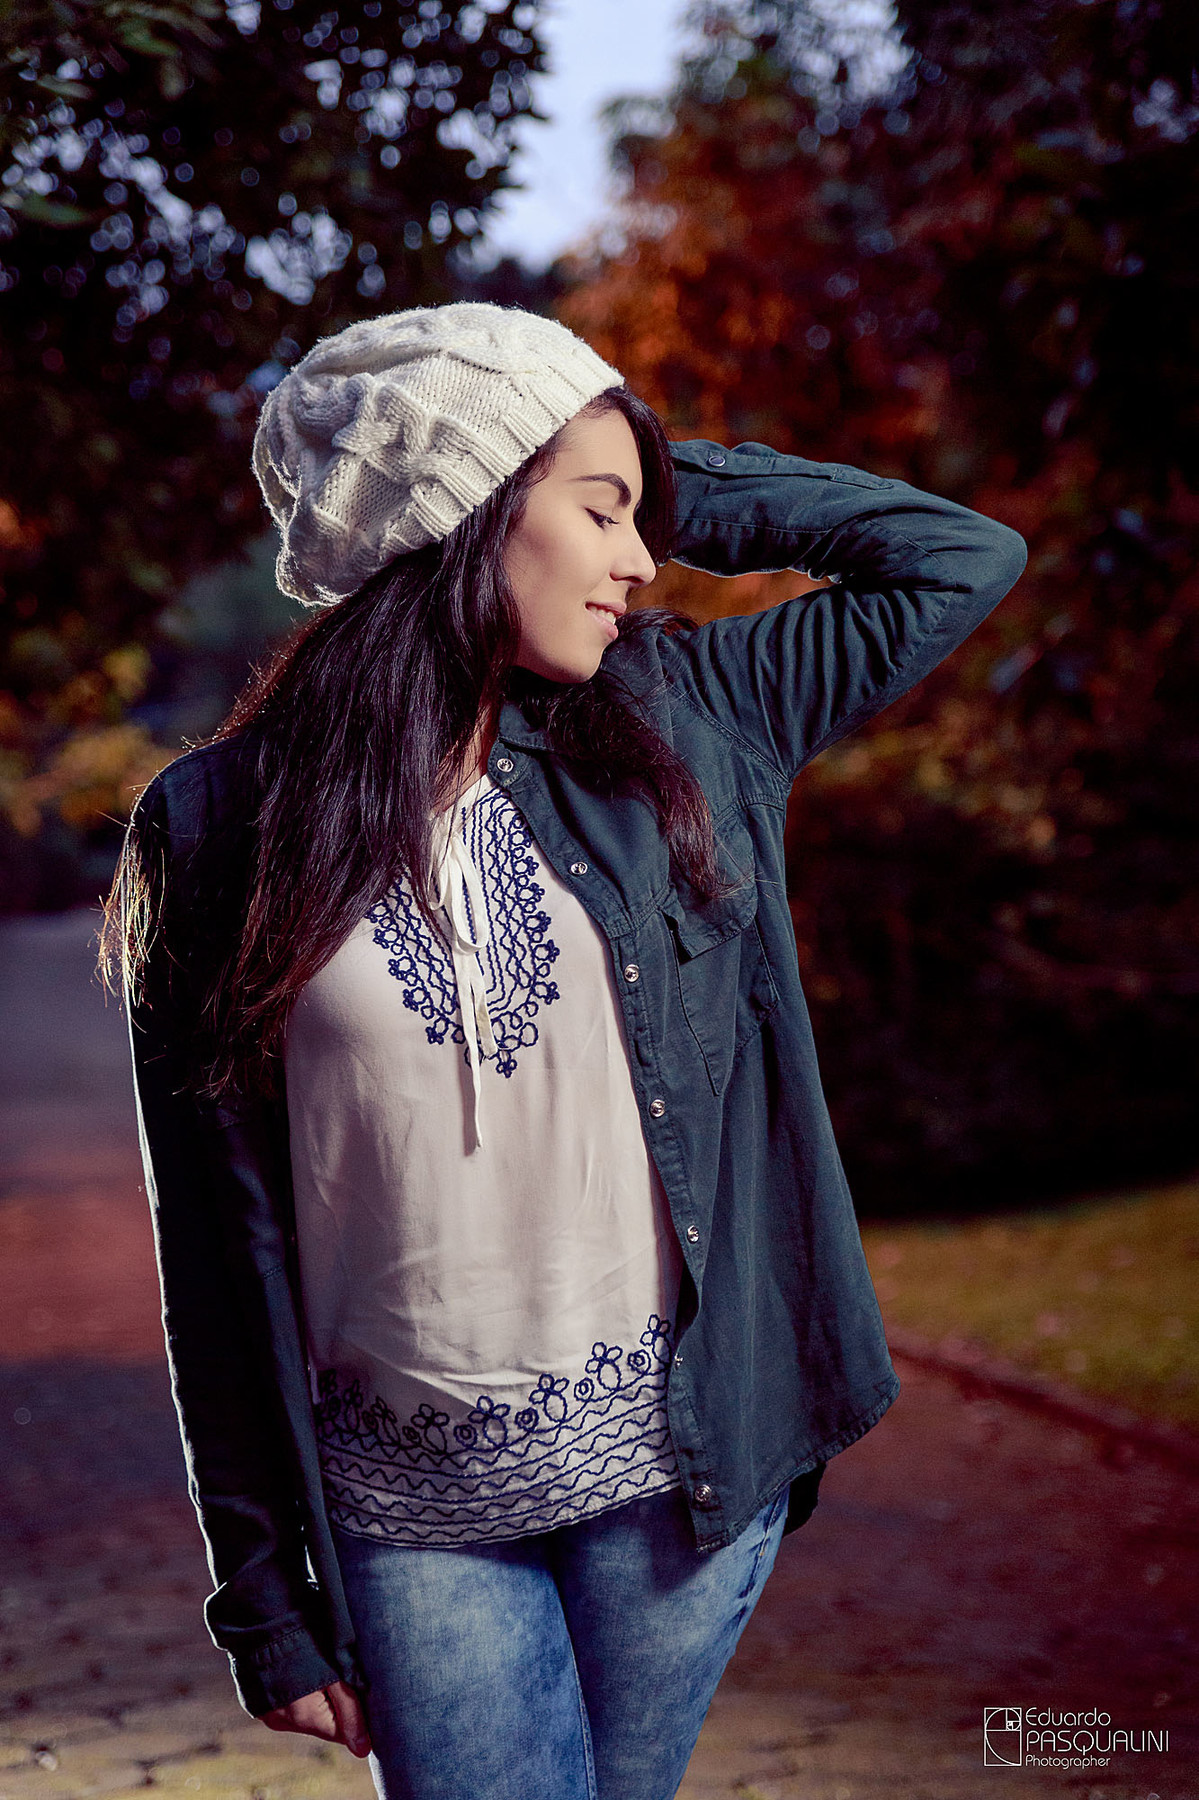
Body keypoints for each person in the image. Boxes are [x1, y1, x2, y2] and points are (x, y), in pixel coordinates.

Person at [100, 300, 1027, 1800]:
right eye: (601, 512)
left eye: (643, 517)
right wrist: (263, 1598)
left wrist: (643, 461)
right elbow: (213, 1247)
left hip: (675, 1482)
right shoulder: (211, 831)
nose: (642, 560)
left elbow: (959, 556)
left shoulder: (688, 715)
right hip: (404, 1511)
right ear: (467, 514)